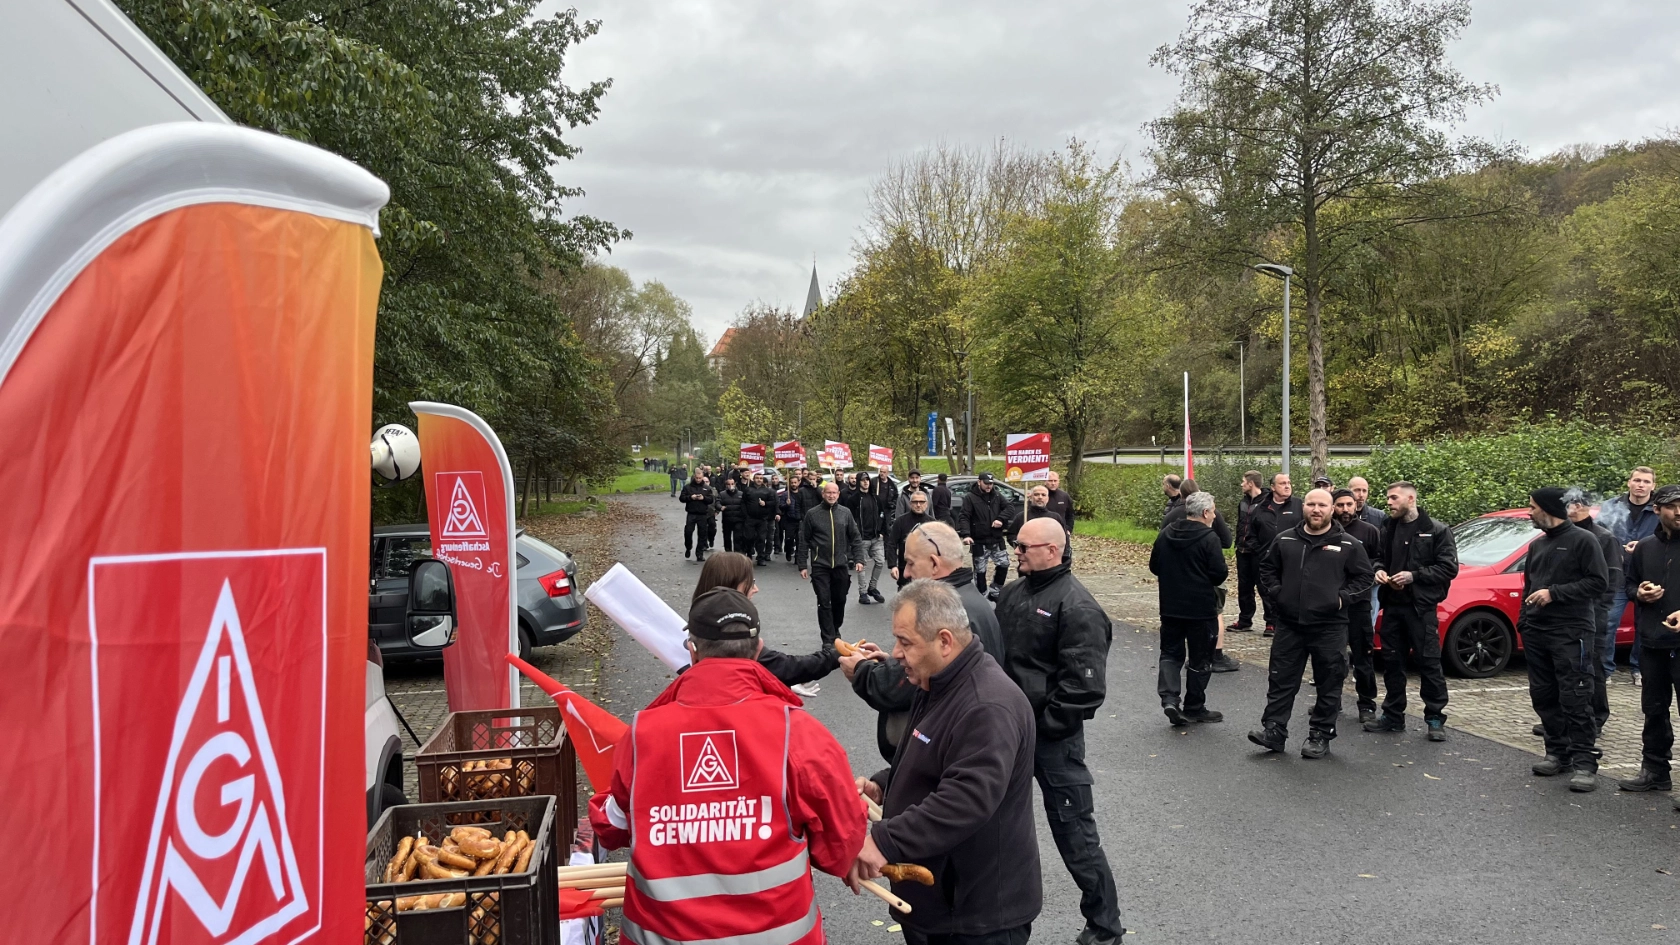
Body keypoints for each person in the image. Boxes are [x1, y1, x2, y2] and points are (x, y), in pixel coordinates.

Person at [588, 587, 866, 945]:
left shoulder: (642, 735)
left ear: (692, 649)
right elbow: (841, 846)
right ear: (758, 649)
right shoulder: (798, 733)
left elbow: (611, 828)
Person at [852, 580, 1041, 945]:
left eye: (905, 642)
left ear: (944, 641)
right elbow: (938, 760)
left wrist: (884, 841)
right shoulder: (938, 682)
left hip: (975, 914)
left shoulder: (987, 706)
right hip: (941, 903)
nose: (896, 653)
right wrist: (884, 785)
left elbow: (967, 798)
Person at [995, 518, 1124, 945]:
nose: (1016, 552)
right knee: (992, 825)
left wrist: (1042, 727)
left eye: (1024, 547)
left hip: (1052, 740)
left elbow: (1084, 689)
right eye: (1015, 544)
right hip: (1006, 733)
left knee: (1075, 833)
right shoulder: (1011, 594)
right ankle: (996, 917)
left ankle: (1105, 927)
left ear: (1053, 550)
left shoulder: (1078, 607)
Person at [846, 521, 1004, 761]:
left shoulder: (944, 612)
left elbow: (908, 683)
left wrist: (861, 670)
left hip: (938, 752)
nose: (906, 573)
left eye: (910, 563)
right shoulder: (972, 599)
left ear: (934, 563)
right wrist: (891, 661)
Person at [1248, 488, 1373, 759]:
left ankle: (1320, 734)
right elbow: (1267, 569)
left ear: (1331, 509)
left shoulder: (1348, 544)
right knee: (1281, 680)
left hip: (1330, 627)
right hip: (1289, 624)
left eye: (1322, 505)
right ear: (1303, 507)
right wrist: (1278, 593)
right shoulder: (1285, 539)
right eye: (1311, 504)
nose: (1316, 509)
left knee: (1329, 682)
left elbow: (1364, 578)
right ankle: (1274, 731)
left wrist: (1341, 599)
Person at [1521, 487, 1608, 792]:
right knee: (1543, 695)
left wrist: (1554, 593)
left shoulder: (1584, 540)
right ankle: (1557, 752)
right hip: (1537, 632)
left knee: (1575, 696)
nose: (1529, 512)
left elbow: (1598, 582)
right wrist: (1523, 623)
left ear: (1547, 509)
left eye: (1532, 507)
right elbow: (1528, 587)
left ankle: (1584, 763)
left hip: (1572, 632)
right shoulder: (1537, 545)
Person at [1364, 482, 1459, 741]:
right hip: (1393, 607)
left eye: (1394, 498)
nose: (1389, 502)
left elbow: (1448, 568)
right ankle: (1393, 716)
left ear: (1411, 499)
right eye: (1388, 498)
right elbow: (1379, 557)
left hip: (1421, 609)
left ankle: (1435, 718)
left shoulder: (1436, 530)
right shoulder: (1388, 527)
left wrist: (1414, 576)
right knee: (1392, 663)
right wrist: (1379, 570)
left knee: (1429, 662)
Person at [693, 552, 837, 692]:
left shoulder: (698, 622)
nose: (755, 589)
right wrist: (836, 656)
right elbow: (782, 666)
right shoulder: (734, 629)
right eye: (750, 582)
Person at [1619, 485, 1680, 795]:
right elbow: (1629, 585)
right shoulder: (1644, 547)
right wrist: (1639, 593)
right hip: (1652, 643)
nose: (1679, 512)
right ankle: (1655, 771)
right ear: (1656, 510)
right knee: (1654, 710)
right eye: (1672, 506)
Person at [1149, 491, 1228, 726]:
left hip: (1170, 606)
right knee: (1200, 659)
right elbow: (1219, 573)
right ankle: (1194, 706)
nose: (1214, 515)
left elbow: (1154, 566)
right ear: (1205, 512)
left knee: (1170, 654)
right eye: (1213, 511)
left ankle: (1170, 699)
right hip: (1200, 608)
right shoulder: (1209, 538)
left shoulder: (1166, 533)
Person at [1565, 491, 1621, 737]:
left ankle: (1596, 718)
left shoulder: (1603, 537)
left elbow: (1612, 578)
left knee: (1593, 666)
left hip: (1593, 613)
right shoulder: (1564, 534)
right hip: (1568, 612)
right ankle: (1566, 718)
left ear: (1578, 506)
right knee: (1568, 666)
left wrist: (1598, 609)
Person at [1601, 467, 1660, 685]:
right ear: (1629, 482)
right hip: (1617, 575)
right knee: (1608, 622)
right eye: (1637, 480)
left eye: (1646, 481)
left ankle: (1639, 669)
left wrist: (1643, 546)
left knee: (1644, 625)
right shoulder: (1612, 506)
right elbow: (1598, 535)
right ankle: (1605, 670)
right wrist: (1614, 551)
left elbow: (1668, 536)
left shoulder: (1659, 509)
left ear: (1653, 486)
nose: (1641, 485)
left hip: (1648, 575)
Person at [1333, 489, 1384, 725]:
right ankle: (1330, 701)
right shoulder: (1326, 531)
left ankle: (1367, 704)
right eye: (1340, 505)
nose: (1345, 509)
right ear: (1333, 507)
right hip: (1332, 604)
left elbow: (1379, 559)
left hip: (1359, 603)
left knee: (1363, 657)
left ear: (1356, 505)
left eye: (1349, 504)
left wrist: (1374, 570)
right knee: (1331, 657)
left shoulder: (1369, 531)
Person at [797, 481, 866, 647]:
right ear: (823, 494)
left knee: (839, 600)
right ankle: (828, 638)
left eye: (834, 493)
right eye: (828, 492)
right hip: (820, 565)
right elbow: (804, 539)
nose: (831, 495)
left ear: (838, 494)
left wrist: (859, 558)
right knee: (824, 601)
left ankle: (835, 628)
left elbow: (855, 537)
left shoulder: (845, 513)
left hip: (840, 565)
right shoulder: (812, 514)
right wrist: (802, 564)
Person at [1250, 473, 1303, 636]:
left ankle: (1291, 620)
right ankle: (1271, 622)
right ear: (1273, 487)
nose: (1287, 486)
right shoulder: (1261, 508)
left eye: (1289, 483)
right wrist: (1260, 551)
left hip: (1293, 558)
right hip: (1267, 558)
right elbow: (1251, 533)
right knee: (1268, 590)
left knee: (1291, 589)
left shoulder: (1298, 505)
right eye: (1282, 483)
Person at [958, 472, 1016, 601]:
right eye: (986, 483)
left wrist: (1000, 518)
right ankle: (982, 596)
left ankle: (995, 590)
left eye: (991, 483)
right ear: (979, 482)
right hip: (979, 540)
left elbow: (1010, 508)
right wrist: (966, 534)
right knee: (980, 570)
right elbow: (964, 517)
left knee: (1004, 564)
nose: (989, 486)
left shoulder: (997, 495)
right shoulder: (970, 498)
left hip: (996, 538)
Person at [843, 470, 892, 605]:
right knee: (861, 566)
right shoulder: (853, 500)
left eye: (867, 480)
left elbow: (882, 515)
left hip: (876, 537)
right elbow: (849, 518)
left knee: (880, 562)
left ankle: (872, 587)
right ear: (859, 482)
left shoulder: (876, 498)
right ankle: (863, 592)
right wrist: (854, 535)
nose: (865, 482)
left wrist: (882, 532)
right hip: (861, 538)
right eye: (863, 480)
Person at [1230, 470, 1267, 633]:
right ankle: (1245, 620)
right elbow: (1240, 523)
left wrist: (1260, 547)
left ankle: (1271, 621)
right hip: (1242, 550)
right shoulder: (1243, 502)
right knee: (1244, 587)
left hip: (1259, 553)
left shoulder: (1267, 502)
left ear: (1251, 483)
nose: (1241, 484)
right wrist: (1238, 543)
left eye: (1244, 481)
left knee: (1264, 587)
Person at [1005, 484, 1072, 565]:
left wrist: (1065, 556)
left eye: (1043, 495)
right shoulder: (1022, 517)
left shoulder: (1055, 517)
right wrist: (1021, 547)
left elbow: (1064, 537)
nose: (1040, 497)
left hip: (1050, 559)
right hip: (1028, 559)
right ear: (1031, 497)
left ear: (1047, 499)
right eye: (1036, 494)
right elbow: (1011, 535)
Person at [887, 490, 937, 590]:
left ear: (926, 504)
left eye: (921, 502)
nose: (918, 505)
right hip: (905, 568)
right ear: (910, 504)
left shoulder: (932, 523)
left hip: (926, 570)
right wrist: (893, 565)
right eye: (915, 502)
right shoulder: (900, 521)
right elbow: (892, 544)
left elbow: (938, 547)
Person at [679, 470, 716, 561]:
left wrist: (703, 498)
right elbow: (682, 498)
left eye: (700, 478)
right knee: (688, 532)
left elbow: (711, 500)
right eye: (697, 478)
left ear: (702, 477)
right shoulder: (688, 487)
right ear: (694, 477)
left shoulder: (706, 488)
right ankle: (688, 547)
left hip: (702, 514)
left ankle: (699, 553)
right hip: (691, 513)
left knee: (702, 534)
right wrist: (690, 497)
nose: (698, 480)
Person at [744, 471, 778, 565]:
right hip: (750, 518)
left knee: (761, 538)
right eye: (757, 478)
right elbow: (743, 503)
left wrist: (765, 503)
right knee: (749, 538)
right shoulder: (748, 490)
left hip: (762, 519)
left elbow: (773, 502)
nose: (759, 480)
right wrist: (745, 515)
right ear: (753, 479)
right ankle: (749, 555)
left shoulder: (767, 491)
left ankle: (760, 557)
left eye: (760, 478)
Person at [717, 475, 746, 553]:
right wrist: (720, 507)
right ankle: (728, 552)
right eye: (729, 484)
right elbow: (717, 502)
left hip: (738, 520)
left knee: (737, 537)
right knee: (727, 537)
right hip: (727, 520)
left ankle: (737, 552)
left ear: (735, 484)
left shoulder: (741, 494)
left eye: (732, 484)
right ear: (726, 485)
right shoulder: (722, 494)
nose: (731, 486)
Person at [776, 474, 800, 562]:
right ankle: (788, 551)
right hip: (789, 520)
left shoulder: (802, 493)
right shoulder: (786, 494)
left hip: (800, 520)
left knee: (800, 540)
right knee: (789, 539)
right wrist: (786, 504)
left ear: (798, 483)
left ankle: (798, 557)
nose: (793, 484)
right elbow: (780, 506)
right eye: (792, 483)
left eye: (795, 482)